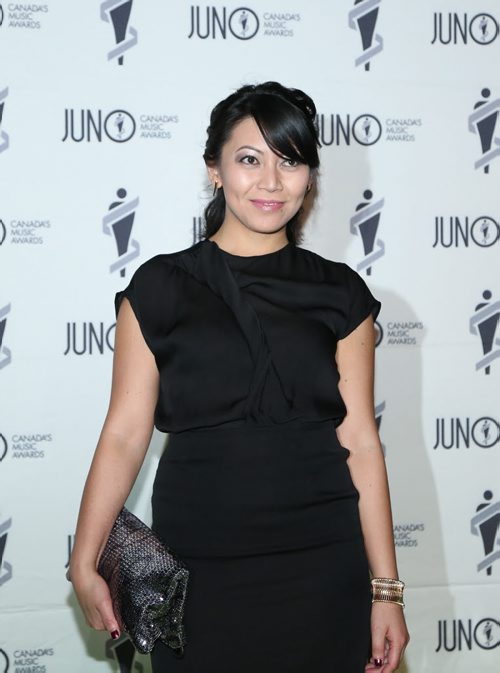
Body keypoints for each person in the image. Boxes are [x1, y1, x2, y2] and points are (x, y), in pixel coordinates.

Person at [69, 81, 409, 673]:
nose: (272, 182)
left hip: (324, 566)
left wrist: (386, 591)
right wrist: (84, 555)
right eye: (250, 159)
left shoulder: (340, 292)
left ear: (310, 177)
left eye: (291, 161)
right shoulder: (160, 287)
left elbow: (360, 441)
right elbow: (125, 433)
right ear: (215, 171)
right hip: (201, 571)